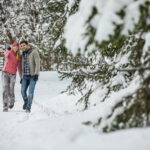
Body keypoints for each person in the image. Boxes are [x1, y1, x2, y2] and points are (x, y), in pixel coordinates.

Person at [20, 41, 40, 113]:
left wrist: (36, 74)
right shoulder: (23, 54)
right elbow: (22, 66)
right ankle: (26, 102)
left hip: (32, 76)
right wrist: (21, 77)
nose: (22, 47)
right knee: (22, 91)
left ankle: (28, 107)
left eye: (24, 45)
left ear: (27, 45)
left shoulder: (34, 52)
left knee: (30, 93)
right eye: (21, 46)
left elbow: (37, 63)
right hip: (25, 76)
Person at [2, 42, 21, 112]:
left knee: (11, 88)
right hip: (5, 73)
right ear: (12, 47)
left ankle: (12, 101)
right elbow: (5, 55)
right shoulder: (9, 52)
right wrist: (7, 50)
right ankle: (5, 106)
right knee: (5, 89)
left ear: (18, 48)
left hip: (13, 75)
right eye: (14, 46)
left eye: (17, 46)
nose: (15, 48)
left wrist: (21, 77)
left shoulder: (18, 56)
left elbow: (19, 68)